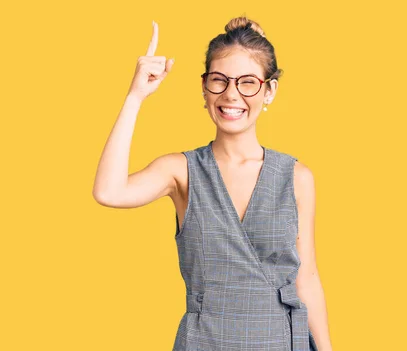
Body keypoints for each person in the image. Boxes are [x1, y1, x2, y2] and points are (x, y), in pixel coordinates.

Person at [92, 16, 332, 351]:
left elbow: (306, 279)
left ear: (269, 90)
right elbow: (108, 191)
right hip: (205, 342)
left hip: (281, 340)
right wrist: (136, 96)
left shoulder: (296, 177)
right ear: (204, 88)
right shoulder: (181, 171)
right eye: (219, 81)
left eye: (247, 82)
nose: (231, 95)